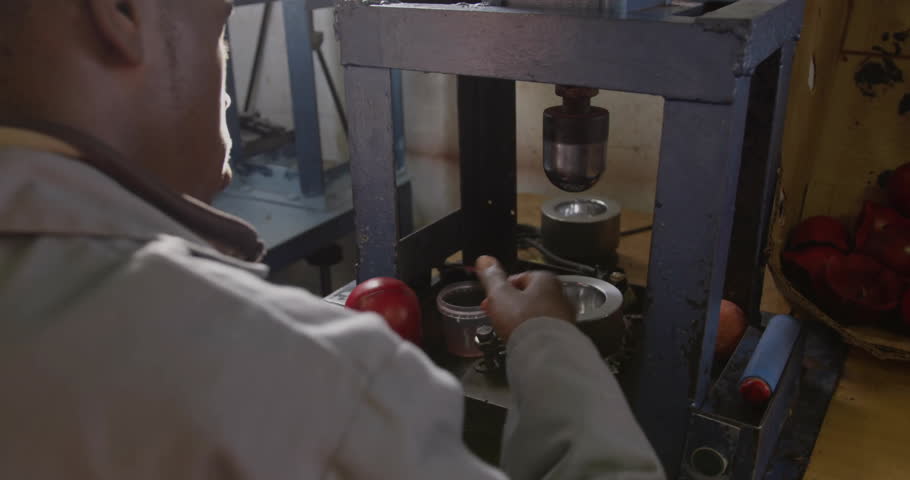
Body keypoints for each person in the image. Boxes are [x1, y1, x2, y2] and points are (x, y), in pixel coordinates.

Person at [0, 1, 665, 479]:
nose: (225, 74)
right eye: (221, 23)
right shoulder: (312, 390)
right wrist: (547, 338)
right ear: (119, 12)